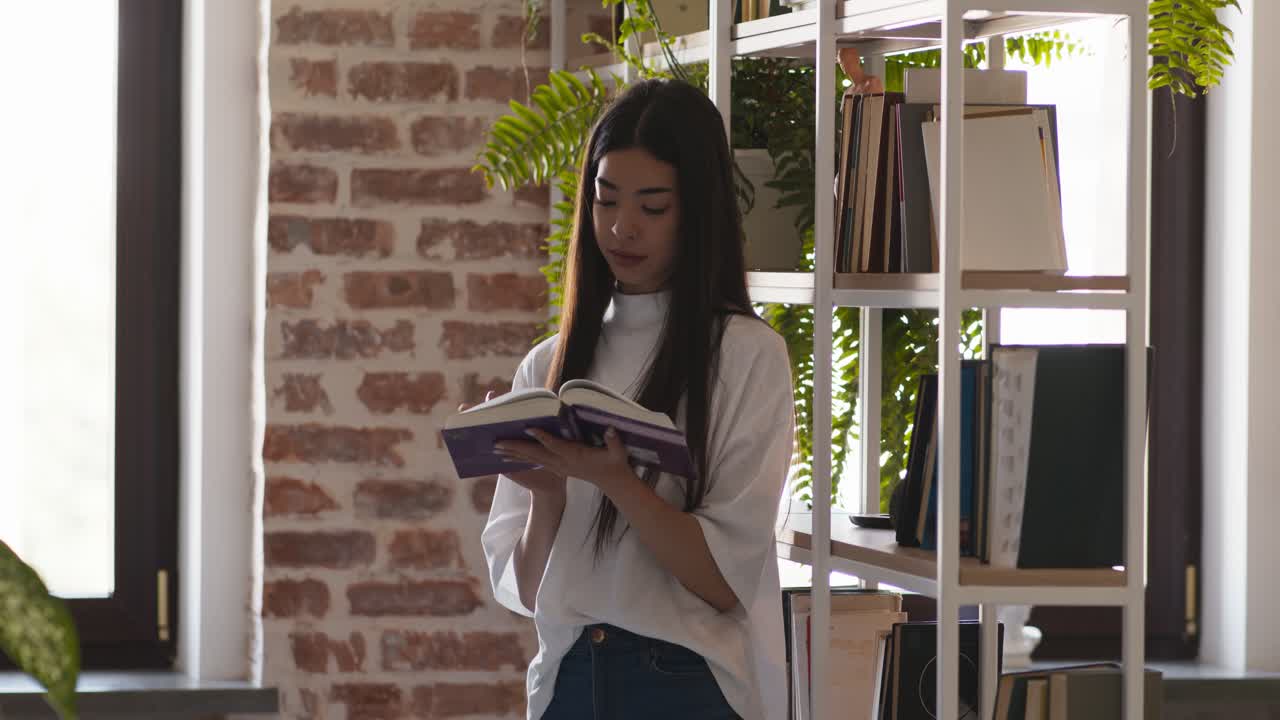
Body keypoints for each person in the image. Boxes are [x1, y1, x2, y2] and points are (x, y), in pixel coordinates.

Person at [475, 78, 795, 720]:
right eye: (605, 199)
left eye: (653, 207)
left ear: (698, 210)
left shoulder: (744, 354)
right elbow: (530, 594)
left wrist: (620, 483)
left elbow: (722, 584)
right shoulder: (550, 362)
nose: (622, 227)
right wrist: (549, 494)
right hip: (567, 679)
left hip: (682, 682)